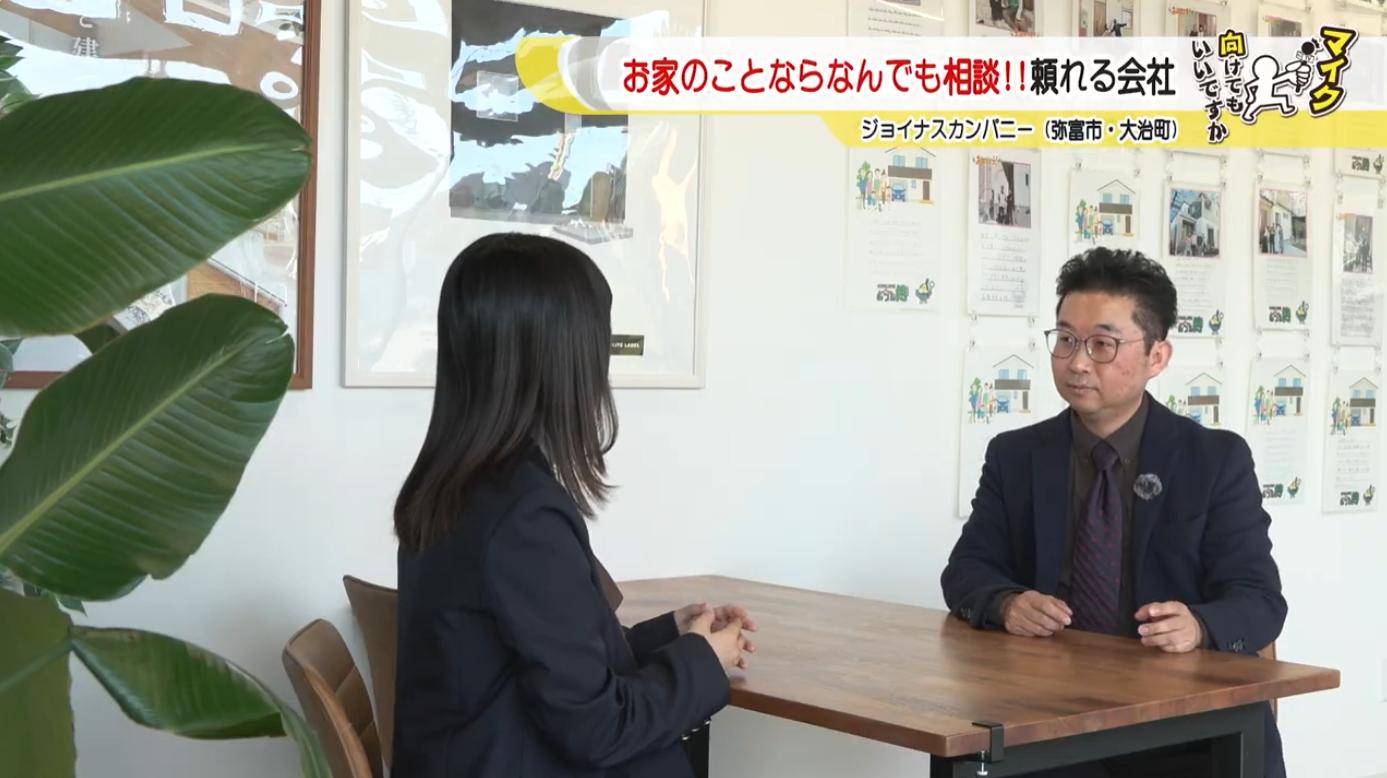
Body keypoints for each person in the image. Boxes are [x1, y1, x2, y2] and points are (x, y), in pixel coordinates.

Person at [391, 232, 754, 777]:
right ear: (557, 359)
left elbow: (550, 663)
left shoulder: (452, 487)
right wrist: (705, 660)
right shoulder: (522, 518)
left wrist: (674, 635)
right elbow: (599, 729)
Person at [941, 247, 1287, 778]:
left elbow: (1260, 601)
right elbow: (966, 573)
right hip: (1049, 725)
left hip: (1187, 730)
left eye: (1102, 344)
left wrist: (1199, 625)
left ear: (1157, 357)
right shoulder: (1016, 456)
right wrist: (1007, 603)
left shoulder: (1214, 460)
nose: (1078, 362)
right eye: (1065, 339)